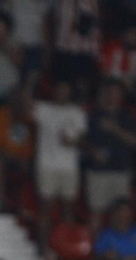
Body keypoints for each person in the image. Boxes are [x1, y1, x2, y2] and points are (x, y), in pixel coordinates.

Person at [31, 81, 86, 248]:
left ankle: (66, 247)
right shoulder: (43, 108)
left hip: (69, 166)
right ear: (54, 91)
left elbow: (83, 139)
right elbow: (23, 109)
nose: (62, 93)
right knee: (45, 207)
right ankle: (44, 247)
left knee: (68, 208)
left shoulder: (77, 112)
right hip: (47, 164)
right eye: (59, 89)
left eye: (65, 90)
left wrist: (72, 142)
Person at [85, 80, 136, 219]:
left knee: (119, 214)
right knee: (96, 212)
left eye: (116, 92)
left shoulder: (127, 116)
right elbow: (83, 140)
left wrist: (114, 129)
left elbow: (135, 142)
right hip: (98, 171)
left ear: (122, 95)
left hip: (120, 171)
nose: (113, 95)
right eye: (110, 92)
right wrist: (93, 151)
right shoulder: (95, 115)